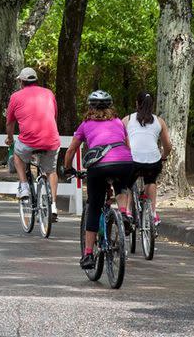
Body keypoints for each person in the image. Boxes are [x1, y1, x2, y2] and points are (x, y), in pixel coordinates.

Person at [64, 90, 136, 270]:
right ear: (110, 106)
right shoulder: (119, 122)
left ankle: (88, 254)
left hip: (99, 166)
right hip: (125, 162)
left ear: (90, 107)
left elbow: (71, 150)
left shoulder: (85, 124)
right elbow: (127, 146)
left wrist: (67, 168)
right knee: (121, 187)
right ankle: (124, 214)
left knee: (95, 207)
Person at [5, 67, 60, 219]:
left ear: (21, 82)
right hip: (51, 140)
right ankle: (53, 206)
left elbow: (9, 123)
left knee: (17, 153)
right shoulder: (49, 93)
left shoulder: (15, 97)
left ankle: (23, 187)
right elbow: (54, 117)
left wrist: (10, 139)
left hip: (28, 141)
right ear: (36, 80)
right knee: (51, 171)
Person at [122, 91, 172, 225]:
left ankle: (127, 210)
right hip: (153, 161)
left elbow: (119, 141)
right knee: (151, 181)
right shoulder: (159, 121)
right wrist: (163, 157)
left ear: (137, 103)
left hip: (133, 160)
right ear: (152, 104)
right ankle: (154, 214)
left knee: (128, 182)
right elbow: (167, 146)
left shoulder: (127, 120)